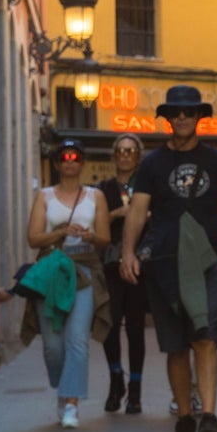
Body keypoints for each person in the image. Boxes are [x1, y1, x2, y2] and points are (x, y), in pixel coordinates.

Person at [120, 85, 217, 432]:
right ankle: (185, 418)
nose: (181, 118)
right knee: (175, 347)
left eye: (188, 112)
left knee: (205, 337)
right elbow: (138, 211)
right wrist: (128, 252)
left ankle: (209, 417)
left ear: (199, 116)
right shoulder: (151, 165)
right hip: (164, 265)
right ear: (166, 117)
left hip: (208, 262)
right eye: (175, 113)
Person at [22, 141, 110, 428]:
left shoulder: (96, 196)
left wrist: (88, 236)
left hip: (84, 268)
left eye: (76, 157)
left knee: (77, 340)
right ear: (57, 164)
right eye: (64, 157)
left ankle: (71, 402)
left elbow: (105, 239)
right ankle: (64, 390)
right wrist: (58, 232)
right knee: (52, 345)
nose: (70, 161)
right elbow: (34, 238)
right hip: (51, 270)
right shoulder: (44, 196)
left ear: (82, 163)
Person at [98, 133, 148, 414]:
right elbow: (95, 220)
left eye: (131, 151)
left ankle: (136, 389)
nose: (125, 155)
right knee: (110, 322)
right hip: (110, 263)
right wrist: (119, 213)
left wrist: (141, 214)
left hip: (140, 262)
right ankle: (116, 378)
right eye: (121, 151)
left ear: (138, 156)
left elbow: (157, 215)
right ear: (114, 156)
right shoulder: (103, 189)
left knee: (136, 326)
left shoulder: (146, 186)